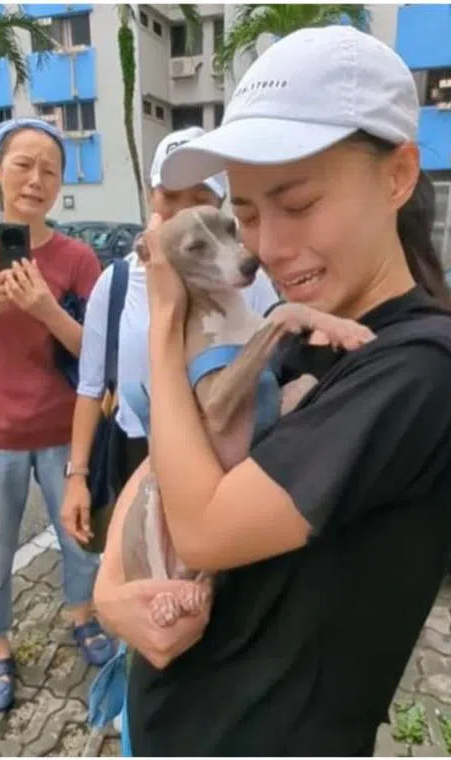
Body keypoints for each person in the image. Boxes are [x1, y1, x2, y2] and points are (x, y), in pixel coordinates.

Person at [93, 25, 451, 756]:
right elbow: (167, 464)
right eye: (245, 213)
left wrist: (161, 327)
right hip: (165, 723)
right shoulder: (304, 327)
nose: (267, 247)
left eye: (299, 204)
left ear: (397, 176)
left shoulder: (423, 366)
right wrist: (108, 594)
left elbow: (204, 524)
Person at [61, 127, 278, 548]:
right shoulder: (117, 282)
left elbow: (279, 362)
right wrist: (77, 476)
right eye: (169, 196)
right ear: (150, 197)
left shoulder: (247, 279)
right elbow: (90, 387)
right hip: (138, 451)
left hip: (228, 455)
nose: (180, 212)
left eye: (198, 198)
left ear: (217, 207)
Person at [0, 117, 113, 714]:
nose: (36, 179)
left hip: (65, 434)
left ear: (61, 183)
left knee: (80, 542)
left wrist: (44, 309)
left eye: (49, 170)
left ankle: (82, 613)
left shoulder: (78, 258)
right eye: (23, 164)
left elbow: (98, 352)